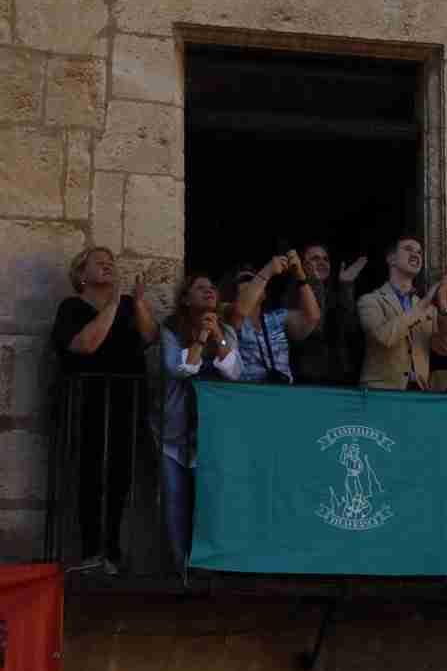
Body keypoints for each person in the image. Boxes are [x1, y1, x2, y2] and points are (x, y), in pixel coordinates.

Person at [51, 245, 159, 575]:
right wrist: (113, 303)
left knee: (119, 477)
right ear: (81, 275)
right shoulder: (71, 307)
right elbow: (86, 344)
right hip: (88, 401)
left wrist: (137, 302)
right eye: (99, 263)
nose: (108, 266)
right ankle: (90, 552)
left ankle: (111, 552)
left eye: (111, 262)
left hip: (126, 400)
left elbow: (150, 336)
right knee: (90, 475)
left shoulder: (126, 306)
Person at [159, 273, 243, 572]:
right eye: (200, 288)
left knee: (208, 501)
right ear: (186, 298)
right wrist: (199, 339)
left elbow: (234, 371)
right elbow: (180, 367)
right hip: (174, 432)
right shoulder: (170, 330)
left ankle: (208, 566)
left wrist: (217, 335)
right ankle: (180, 568)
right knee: (175, 503)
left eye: (212, 287)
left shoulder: (228, 331)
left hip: (212, 433)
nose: (209, 291)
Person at [357, 236, 447, 390]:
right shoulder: (370, 301)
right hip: (380, 393)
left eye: (419, 252)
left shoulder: (427, 307)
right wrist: (425, 302)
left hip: (418, 393)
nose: (416, 255)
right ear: (391, 259)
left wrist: (443, 306)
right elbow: (384, 337)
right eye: (408, 249)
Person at [228, 251, 320, 385]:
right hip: (247, 393)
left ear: (264, 293)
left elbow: (313, 318)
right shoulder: (228, 313)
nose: (254, 283)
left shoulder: (277, 318)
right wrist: (267, 271)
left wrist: (300, 275)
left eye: (255, 280)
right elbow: (241, 310)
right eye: (245, 280)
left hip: (282, 392)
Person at [289, 244, 366, 386]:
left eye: (325, 259)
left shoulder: (334, 295)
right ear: (302, 265)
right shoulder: (292, 296)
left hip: (340, 377)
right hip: (308, 378)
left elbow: (350, 328)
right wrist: (315, 283)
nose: (322, 262)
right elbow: (315, 328)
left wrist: (346, 286)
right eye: (315, 259)